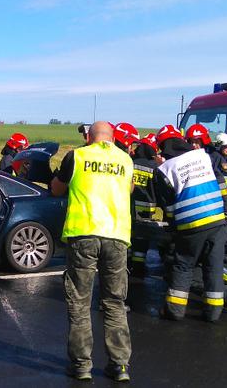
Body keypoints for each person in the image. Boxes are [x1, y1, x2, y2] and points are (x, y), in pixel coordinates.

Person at [50, 121, 134, 382]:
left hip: (84, 234)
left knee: (80, 302)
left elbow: (56, 189)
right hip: (117, 237)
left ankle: (81, 365)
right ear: (113, 138)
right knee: (114, 302)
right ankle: (119, 366)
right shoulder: (125, 160)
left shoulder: (77, 156)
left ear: (89, 137)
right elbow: (129, 189)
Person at [153, 124, 227, 322]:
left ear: (163, 146)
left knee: (183, 265)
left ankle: (175, 310)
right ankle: (213, 313)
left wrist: (174, 229)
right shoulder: (204, 156)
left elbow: (168, 207)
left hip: (190, 225)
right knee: (213, 266)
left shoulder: (164, 170)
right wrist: (226, 211)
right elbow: (222, 184)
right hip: (217, 219)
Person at [187, 124, 227, 311]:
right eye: (191, 142)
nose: (194, 146)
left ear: (204, 141)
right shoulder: (191, 158)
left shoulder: (215, 158)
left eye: (197, 142)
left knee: (187, 271)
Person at [130, 134, 164, 277]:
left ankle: (127, 264)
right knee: (142, 239)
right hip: (146, 210)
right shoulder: (154, 167)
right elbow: (159, 190)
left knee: (129, 236)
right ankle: (138, 268)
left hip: (128, 207)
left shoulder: (130, 162)